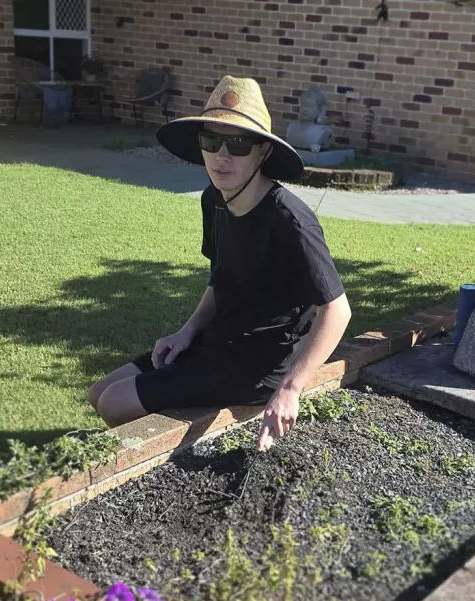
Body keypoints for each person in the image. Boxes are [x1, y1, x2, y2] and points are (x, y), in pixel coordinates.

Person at [88, 75, 352, 452]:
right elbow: (221, 276)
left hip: (259, 362)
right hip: (219, 339)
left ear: (263, 152)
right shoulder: (214, 199)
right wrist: (187, 331)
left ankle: (166, 459)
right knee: (99, 392)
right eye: (212, 141)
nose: (222, 156)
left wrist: (291, 390)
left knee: (116, 403)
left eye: (239, 144)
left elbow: (337, 310)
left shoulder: (290, 222)